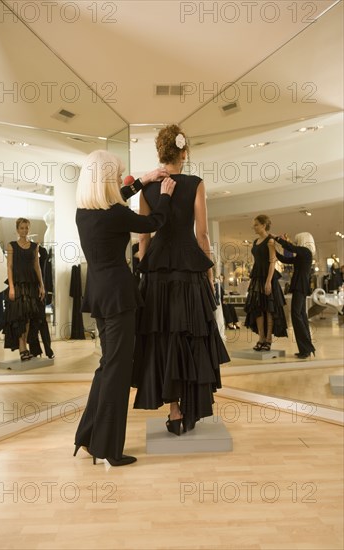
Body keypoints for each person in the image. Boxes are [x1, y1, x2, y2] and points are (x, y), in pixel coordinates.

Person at [73, 149, 175, 467]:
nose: (120, 179)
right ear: (105, 179)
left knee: (107, 367)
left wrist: (142, 181)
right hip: (119, 297)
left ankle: (89, 438)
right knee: (117, 372)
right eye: (116, 174)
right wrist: (166, 195)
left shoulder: (84, 212)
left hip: (100, 296)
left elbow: (114, 198)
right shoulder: (116, 213)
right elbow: (153, 222)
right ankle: (109, 449)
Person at [132, 124, 230, 435]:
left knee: (164, 339)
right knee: (192, 337)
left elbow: (144, 236)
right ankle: (191, 407)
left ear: (161, 152)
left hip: (158, 271)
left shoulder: (147, 188)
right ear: (184, 152)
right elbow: (202, 235)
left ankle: (174, 412)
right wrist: (210, 272)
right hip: (189, 271)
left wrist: (145, 266)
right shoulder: (196, 184)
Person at [3, 218, 45, 361]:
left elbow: (37, 266)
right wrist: (12, 287)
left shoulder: (34, 246)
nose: (24, 230)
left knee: (29, 317)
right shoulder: (12, 246)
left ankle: (25, 346)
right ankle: (22, 347)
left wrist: (42, 285)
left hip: (32, 285)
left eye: (26, 228)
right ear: (17, 229)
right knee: (20, 316)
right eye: (22, 228)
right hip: (18, 285)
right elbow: (9, 267)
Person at [244, 214, 287, 350]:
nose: (254, 227)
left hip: (268, 277)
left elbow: (272, 262)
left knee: (269, 309)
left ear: (263, 225)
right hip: (257, 276)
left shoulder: (270, 241)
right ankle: (261, 337)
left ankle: (268, 339)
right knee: (257, 307)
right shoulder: (255, 241)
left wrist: (268, 281)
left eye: (256, 224)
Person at [274, 232, 316, 358]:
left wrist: (277, 239)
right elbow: (285, 259)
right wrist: (274, 250)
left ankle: (306, 348)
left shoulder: (305, 252)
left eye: (298, 240)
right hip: (300, 286)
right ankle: (306, 349)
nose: (296, 242)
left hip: (300, 286)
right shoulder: (302, 255)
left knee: (297, 315)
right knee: (301, 315)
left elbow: (291, 248)